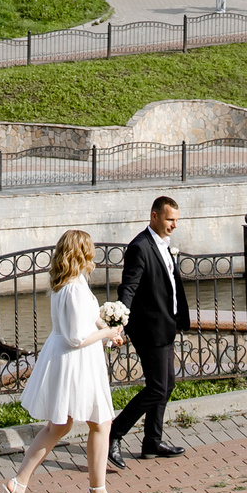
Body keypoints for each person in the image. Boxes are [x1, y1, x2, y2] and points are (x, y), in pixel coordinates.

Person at [5, 229, 125, 493]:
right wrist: (107, 332)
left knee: (61, 425)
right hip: (76, 361)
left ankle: (19, 483)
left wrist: (106, 329)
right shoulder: (72, 287)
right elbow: (75, 337)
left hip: (72, 359)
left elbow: (85, 321)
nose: (94, 253)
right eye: (90, 249)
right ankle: (98, 492)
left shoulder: (70, 282)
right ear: (82, 252)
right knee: (100, 422)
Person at [106, 196, 189, 470]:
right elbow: (128, 287)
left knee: (167, 385)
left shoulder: (163, 245)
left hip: (166, 325)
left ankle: (152, 442)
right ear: (154, 217)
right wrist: (119, 319)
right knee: (156, 388)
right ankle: (113, 434)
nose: (174, 225)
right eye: (169, 219)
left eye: (176, 220)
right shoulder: (140, 247)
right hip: (149, 329)